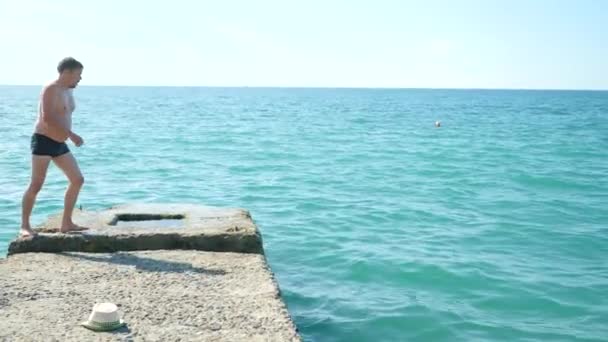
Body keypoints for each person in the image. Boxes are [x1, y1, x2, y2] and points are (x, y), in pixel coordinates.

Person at [20, 57, 88, 237]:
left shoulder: (68, 90)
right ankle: (25, 226)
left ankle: (66, 223)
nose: (80, 79)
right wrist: (71, 135)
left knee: (77, 179)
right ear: (67, 72)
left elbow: (63, 115)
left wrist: (66, 136)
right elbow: (48, 118)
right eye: (78, 75)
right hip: (43, 140)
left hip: (59, 143)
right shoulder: (51, 89)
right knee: (36, 184)